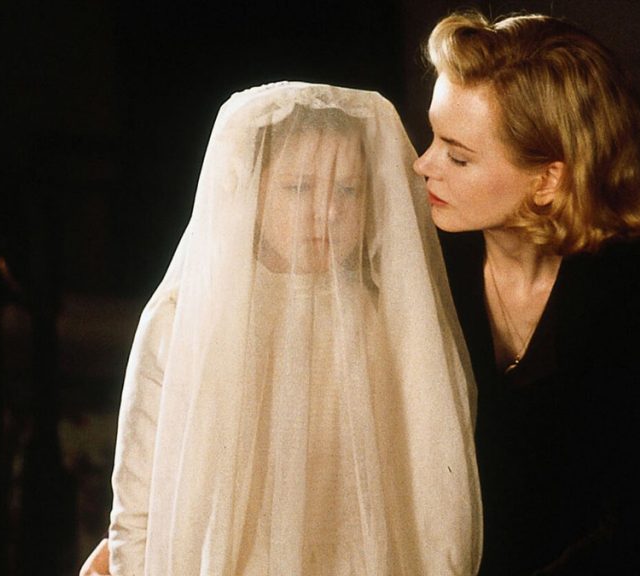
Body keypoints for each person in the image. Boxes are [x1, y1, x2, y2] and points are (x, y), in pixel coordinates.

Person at [102, 82, 481, 575]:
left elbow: (433, 487)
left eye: (348, 189)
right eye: (299, 187)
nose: (328, 212)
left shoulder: (383, 322)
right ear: (250, 188)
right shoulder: (183, 319)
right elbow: (138, 505)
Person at [414, 11, 640, 575]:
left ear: (548, 180)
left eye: (457, 155)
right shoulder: (418, 266)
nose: (422, 165)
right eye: (433, 137)